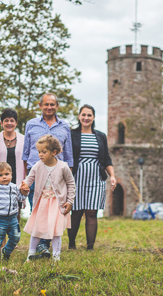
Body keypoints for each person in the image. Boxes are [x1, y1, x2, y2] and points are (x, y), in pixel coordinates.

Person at [22, 93, 74, 256]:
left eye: (52, 104)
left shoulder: (64, 126)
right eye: (46, 104)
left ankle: (43, 246)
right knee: (37, 210)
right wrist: (27, 176)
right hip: (36, 173)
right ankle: (41, 245)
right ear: (40, 106)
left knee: (53, 213)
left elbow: (69, 155)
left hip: (57, 177)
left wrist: (66, 181)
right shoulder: (31, 124)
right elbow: (25, 153)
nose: (49, 107)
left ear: (57, 106)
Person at [68, 104, 117, 250]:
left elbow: (106, 158)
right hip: (76, 177)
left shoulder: (100, 136)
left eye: (89, 115)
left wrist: (112, 176)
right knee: (76, 211)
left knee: (91, 211)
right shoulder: (72, 134)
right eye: (83, 115)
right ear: (79, 116)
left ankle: (90, 247)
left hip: (96, 177)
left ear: (93, 117)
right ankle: (71, 244)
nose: (86, 118)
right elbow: (68, 157)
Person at [0, 109, 25, 213]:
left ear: (16, 123)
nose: (9, 123)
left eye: (12, 120)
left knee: (15, 210)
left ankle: (15, 229)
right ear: (1, 123)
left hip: (16, 178)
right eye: (6, 120)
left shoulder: (23, 139)